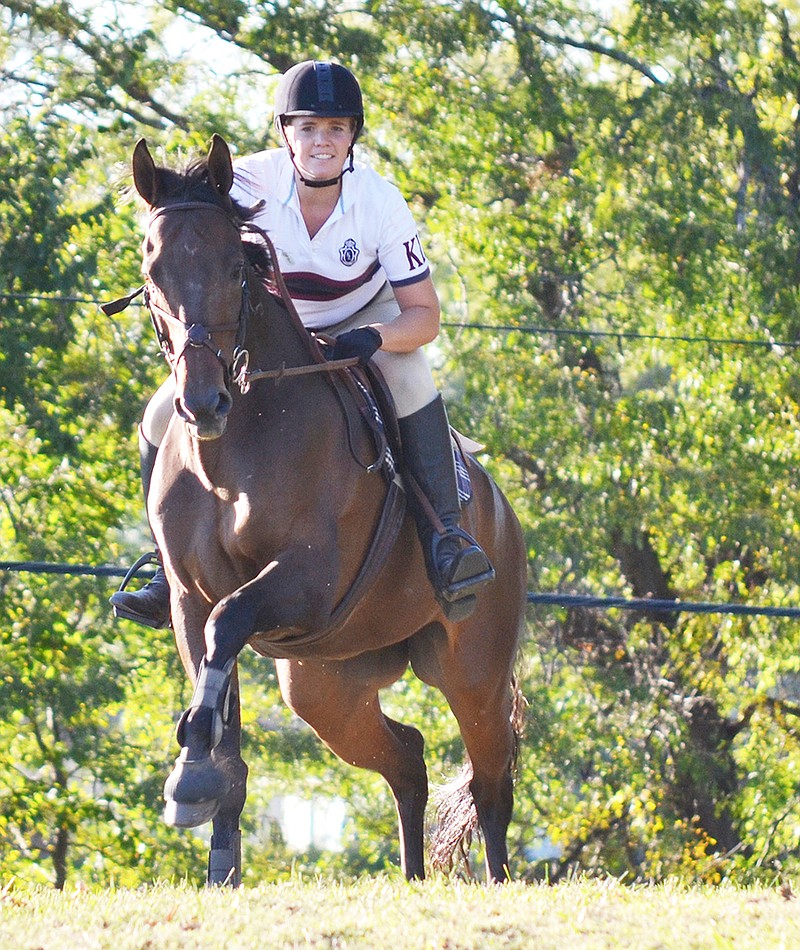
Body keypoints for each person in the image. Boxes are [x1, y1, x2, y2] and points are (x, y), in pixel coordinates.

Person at [110, 60, 494, 628]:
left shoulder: (380, 203)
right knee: (159, 411)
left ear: (353, 135)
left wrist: (375, 337)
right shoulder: (244, 181)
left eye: (336, 128)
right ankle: (168, 568)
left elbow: (425, 317)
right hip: (270, 331)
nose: (322, 142)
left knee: (411, 376)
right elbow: (183, 236)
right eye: (308, 128)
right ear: (285, 132)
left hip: (364, 317)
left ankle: (447, 542)